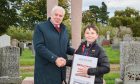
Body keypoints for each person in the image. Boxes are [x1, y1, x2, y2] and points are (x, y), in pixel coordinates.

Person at [33, 6, 75, 84]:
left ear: (63, 17)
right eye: (56, 14)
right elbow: (39, 47)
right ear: (51, 14)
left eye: (60, 15)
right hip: (45, 72)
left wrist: (77, 51)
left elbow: (66, 47)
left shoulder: (65, 29)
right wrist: (55, 59)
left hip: (59, 72)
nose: (58, 17)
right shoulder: (41, 27)